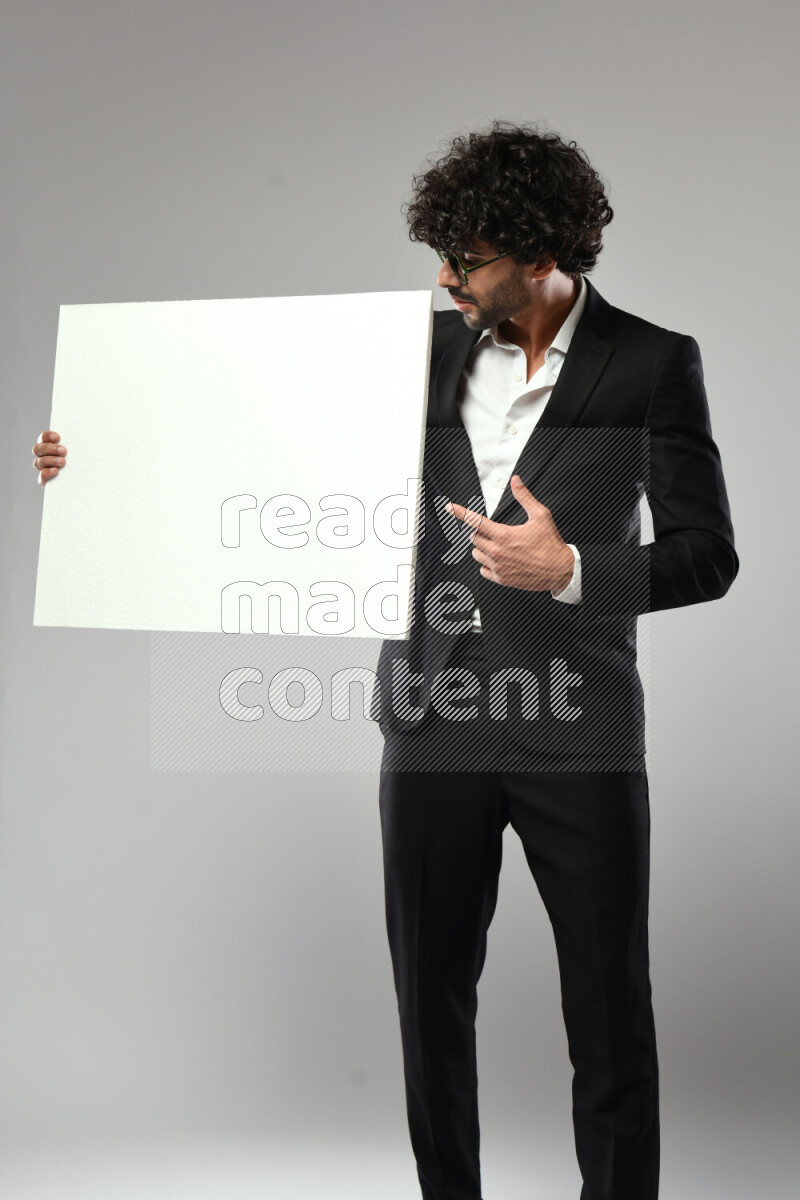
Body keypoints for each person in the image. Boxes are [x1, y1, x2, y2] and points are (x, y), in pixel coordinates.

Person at [32, 121, 739, 1200]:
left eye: (468, 260)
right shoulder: (414, 349)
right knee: (430, 1010)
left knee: (607, 1016)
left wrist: (575, 569)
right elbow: (248, 439)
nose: (445, 279)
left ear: (540, 256)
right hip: (430, 718)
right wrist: (98, 458)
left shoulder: (649, 362)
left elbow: (706, 555)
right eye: (439, 257)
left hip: (580, 732)